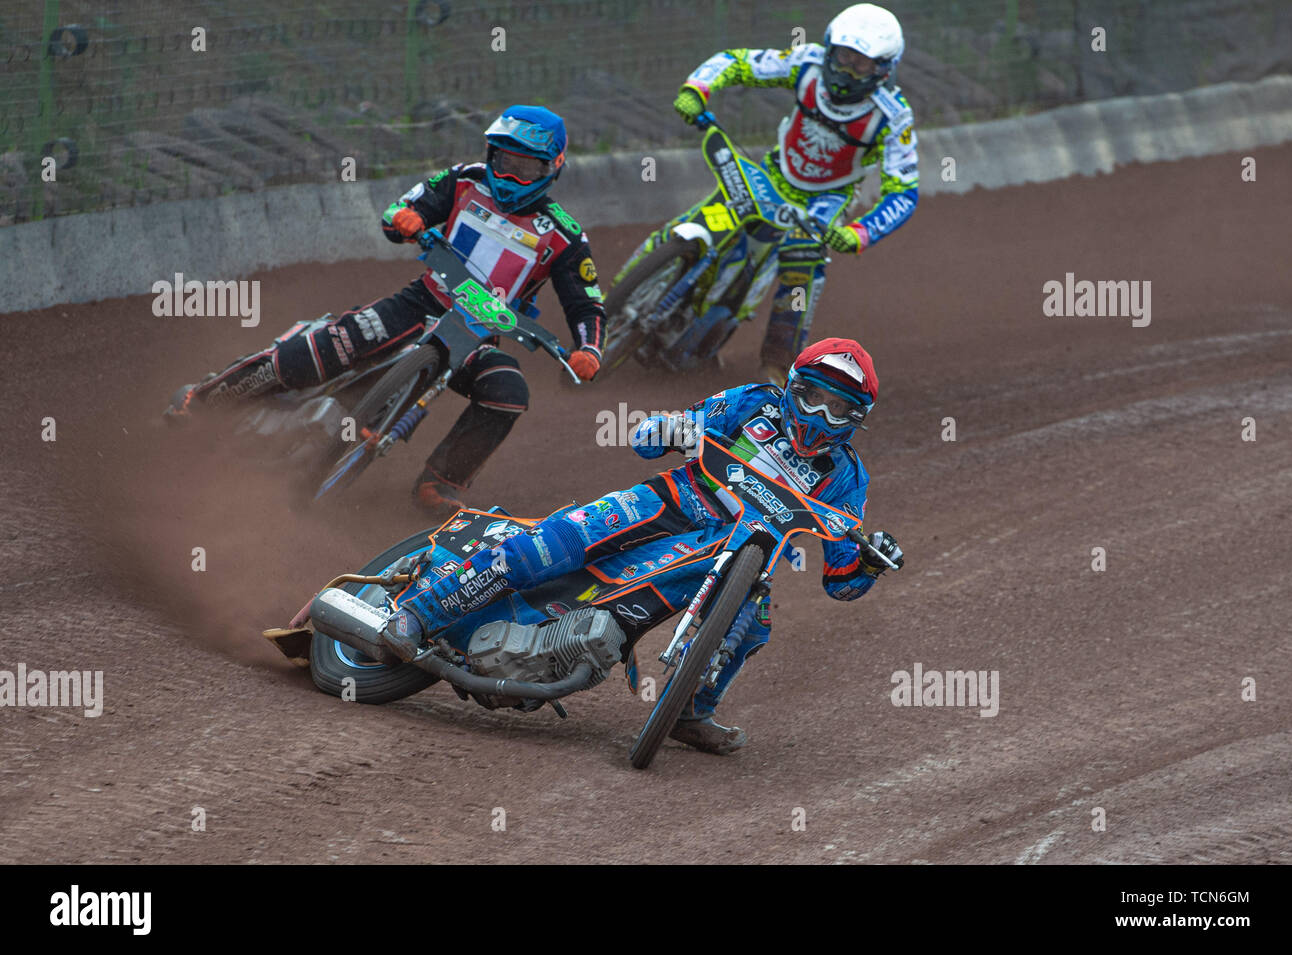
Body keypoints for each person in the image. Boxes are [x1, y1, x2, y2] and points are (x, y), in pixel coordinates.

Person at [381, 337, 904, 755]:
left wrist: (870, 562)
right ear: (793, 387)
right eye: (814, 397)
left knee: (754, 622)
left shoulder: (845, 474)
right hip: (672, 500)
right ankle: (418, 612)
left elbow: (840, 580)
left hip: (738, 553)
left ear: (857, 419)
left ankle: (688, 711)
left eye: (840, 409)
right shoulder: (753, 403)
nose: (821, 416)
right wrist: (671, 428)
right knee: (555, 542)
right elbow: (651, 436)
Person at [165, 105, 607, 514]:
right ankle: (203, 400)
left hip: (477, 335)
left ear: (553, 167)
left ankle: (441, 483)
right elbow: (402, 209)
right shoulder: (464, 179)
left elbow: (585, 302)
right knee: (323, 351)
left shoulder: (565, 236)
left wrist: (588, 349)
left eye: (526, 166)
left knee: (509, 393)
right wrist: (406, 219)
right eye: (504, 160)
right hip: (421, 302)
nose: (511, 174)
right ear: (490, 154)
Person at [658, 3, 918, 383]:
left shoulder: (893, 116)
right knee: (707, 219)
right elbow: (739, 61)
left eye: (860, 64)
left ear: (883, 68)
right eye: (844, 57)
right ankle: (620, 298)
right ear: (830, 49)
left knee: (802, 260)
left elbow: (903, 192)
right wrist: (698, 88)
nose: (847, 70)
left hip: (825, 200)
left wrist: (857, 234)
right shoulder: (807, 63)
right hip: (774, 174)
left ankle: (777, 367)